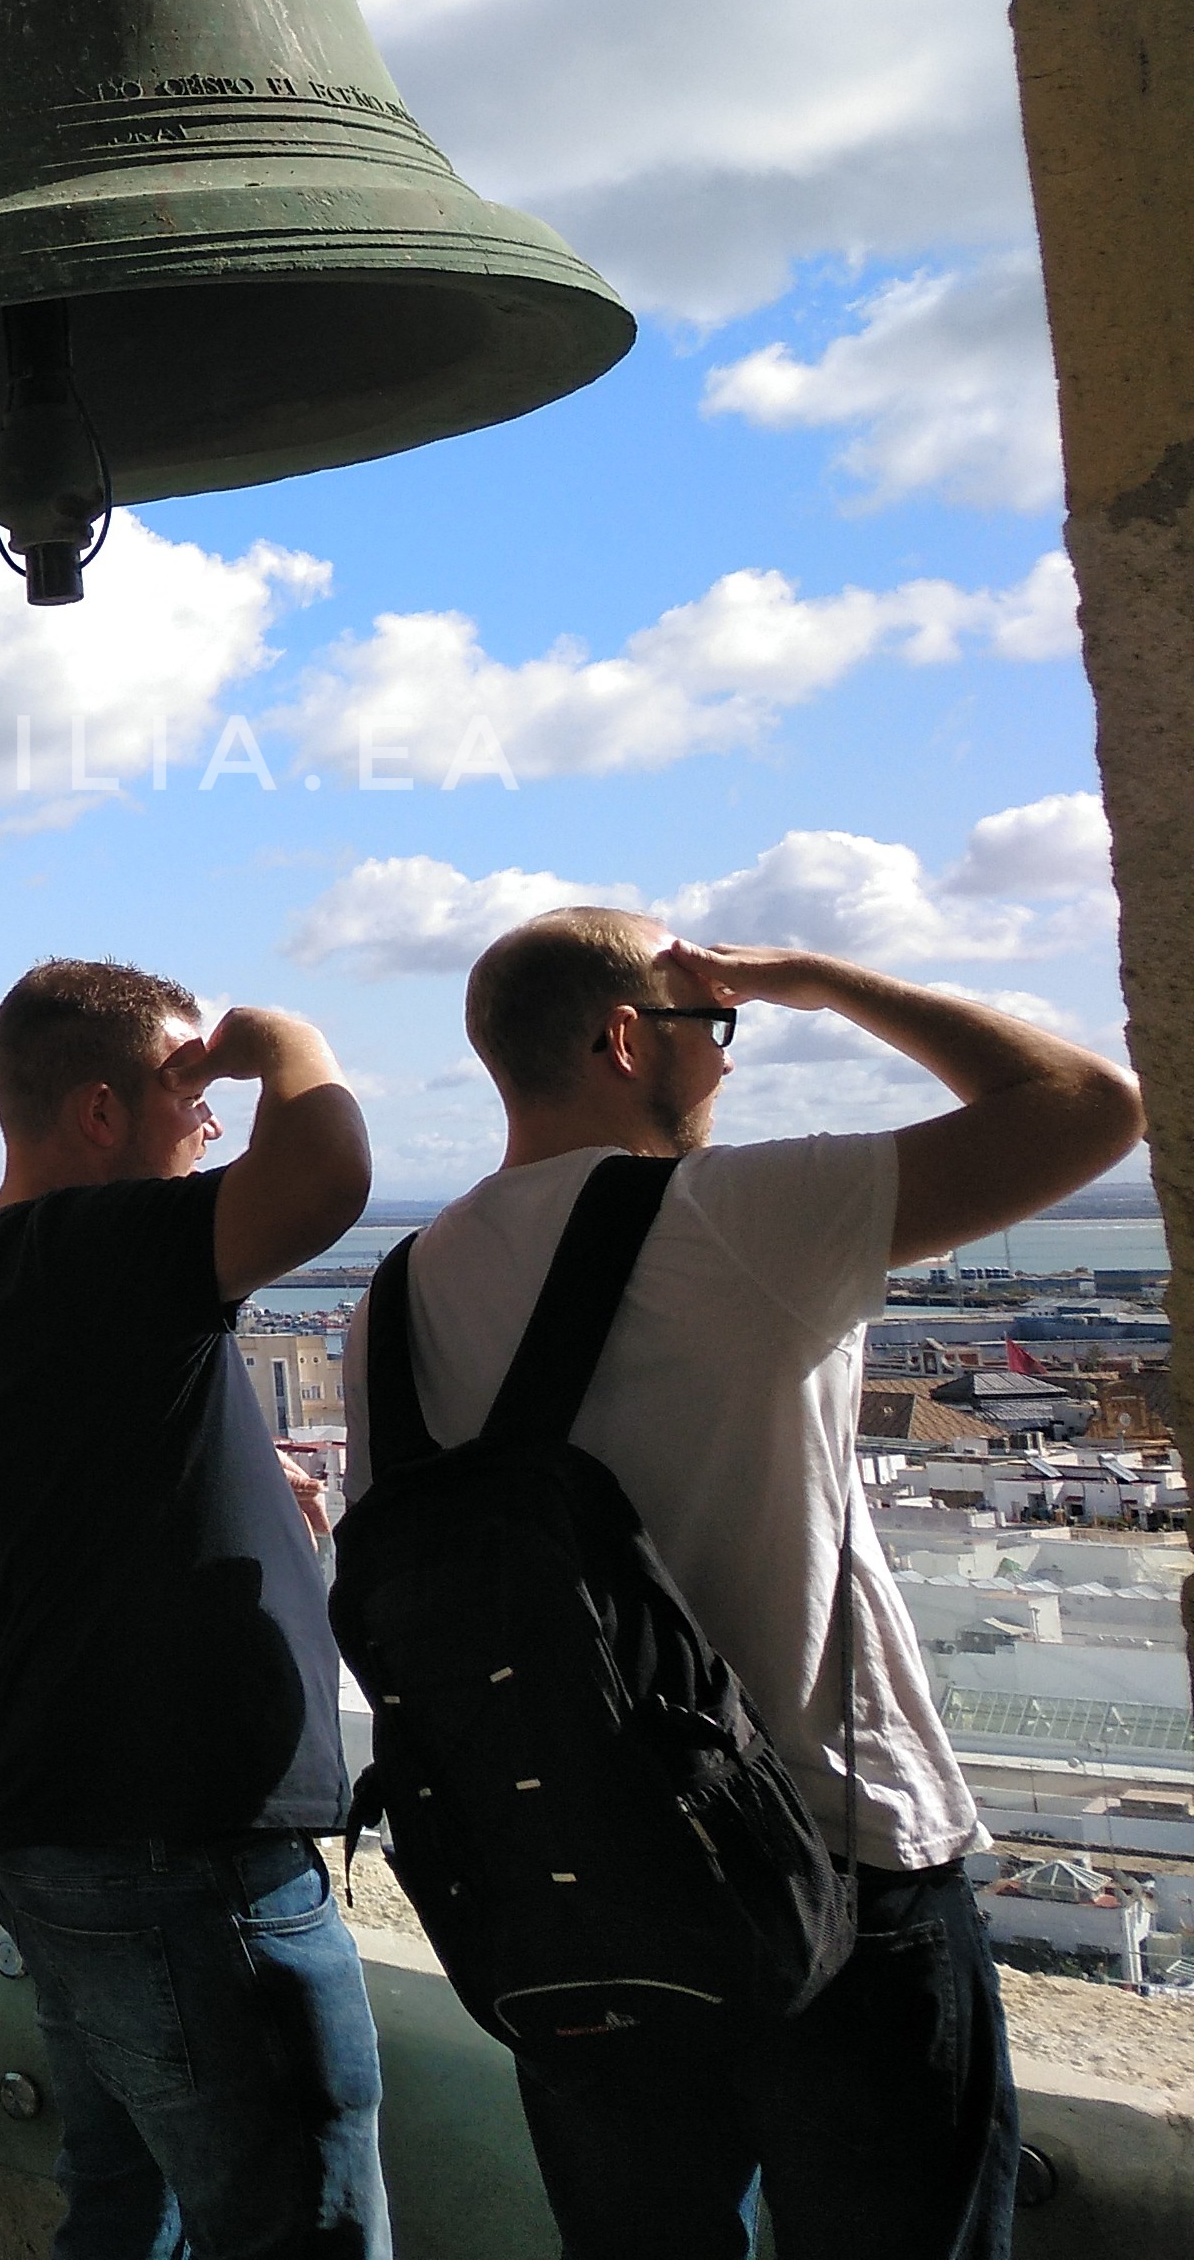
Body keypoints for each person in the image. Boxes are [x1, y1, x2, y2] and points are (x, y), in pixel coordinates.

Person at [347, 915, 1143, 2260]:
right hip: (833, 1864)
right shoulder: (738, 1220)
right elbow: (1087, 1106)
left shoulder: (398, 1295)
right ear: (621, 1040)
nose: (725, 1063)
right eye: (709, 1027)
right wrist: (819, 982)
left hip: (567, 1894)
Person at [0, 961, 387, 2260]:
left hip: (64, 1821)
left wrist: (232, 1470)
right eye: (190, 1092)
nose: (216, 1117)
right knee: (302, 2228)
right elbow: (329, 1175)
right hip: (184, 1843)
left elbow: (65, 1477)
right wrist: (274, 1037)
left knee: (125, 2218)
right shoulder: (97, 1246)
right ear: (102, 1116)